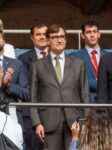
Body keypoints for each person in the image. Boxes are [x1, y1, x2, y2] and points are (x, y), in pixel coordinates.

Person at [30, 23, 90, 150]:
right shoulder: (37, 65)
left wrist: (86, 122)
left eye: (62, 36)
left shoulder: (78, 64)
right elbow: (33, 97)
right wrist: (36, 123)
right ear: (47, 40)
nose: (59, 40)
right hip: (48, 121)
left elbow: (85, 95)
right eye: (55, 37)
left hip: (75, 122)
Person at [18, 21, 48, 149]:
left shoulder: (58, 56)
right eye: (38, 34)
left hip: (55, 112)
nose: (42, 37)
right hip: (31, 114)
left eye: (45, 34)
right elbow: (27, 87)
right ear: (32, 37)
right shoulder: (23, 59)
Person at [0, 29, 30, 136]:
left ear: (3, 41)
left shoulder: (17, 64)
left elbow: (27, 94)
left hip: (12, 122)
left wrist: (8, 85)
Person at [71, 19, 107, 103]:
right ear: (82, 35)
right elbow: (78, 81)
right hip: (86, 103)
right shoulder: (74, 57)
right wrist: (103, 85)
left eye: (94, 31)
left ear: (99, 34)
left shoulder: (109, 56)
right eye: (88, 32)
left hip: (107, 102)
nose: (92, 35)